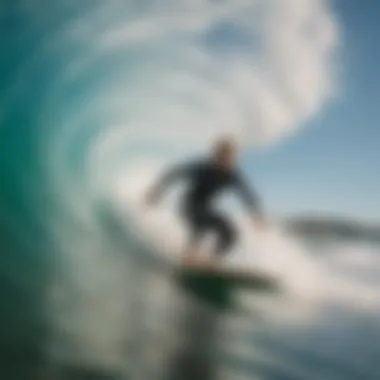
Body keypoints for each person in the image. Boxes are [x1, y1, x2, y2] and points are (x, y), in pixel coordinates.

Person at [145, 137, 266, 268]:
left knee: (229, 233)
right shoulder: (202, 168)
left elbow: (246, 193)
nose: (228, 161)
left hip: (206, 208)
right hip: (188, 206)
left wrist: (256, 216)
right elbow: (174, 173)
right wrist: (155, 193)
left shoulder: (232, 175)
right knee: (201, 222)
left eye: (231, 158)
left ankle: (212, 260)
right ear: (216, 156)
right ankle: (189, 254)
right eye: (224, 157)